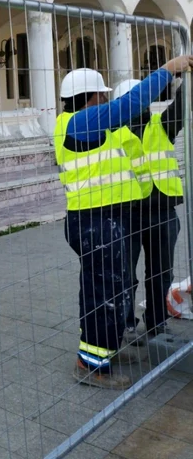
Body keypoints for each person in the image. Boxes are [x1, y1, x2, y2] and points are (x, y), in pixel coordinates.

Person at [55, 55, 192, 390]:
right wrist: (167, 71)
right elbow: (127, 105)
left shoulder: (83, 123)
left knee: (107, 289)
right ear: (89, 97)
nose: (105, 99)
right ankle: (92, 367)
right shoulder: (80, 122)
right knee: (104, 292)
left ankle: (104, 352)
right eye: (101, 94)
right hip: (95, 222)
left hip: (103, 219)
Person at [111, 77, 186, 346]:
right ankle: (127, 323)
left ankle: (156, 322)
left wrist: (187, 76)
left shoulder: (160, 124)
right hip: (127, 214)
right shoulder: (111, 133)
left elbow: (183, 103)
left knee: (161, 272)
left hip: (162, 212)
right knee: (125, 275)